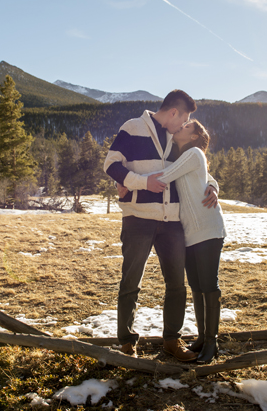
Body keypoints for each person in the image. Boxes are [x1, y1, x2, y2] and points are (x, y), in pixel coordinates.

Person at [103, 90, 218, 362]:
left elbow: (197, 167)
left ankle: (171, 341)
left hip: (173, 223)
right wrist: (141, 182)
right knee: (131, 281)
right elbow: (111, 164)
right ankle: (127, 343)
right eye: (186, 118)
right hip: (138, 218)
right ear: (174, 113)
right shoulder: (132, 128)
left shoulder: (176, 137)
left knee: (177, 285)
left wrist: (212, 185)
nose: (184, 125)